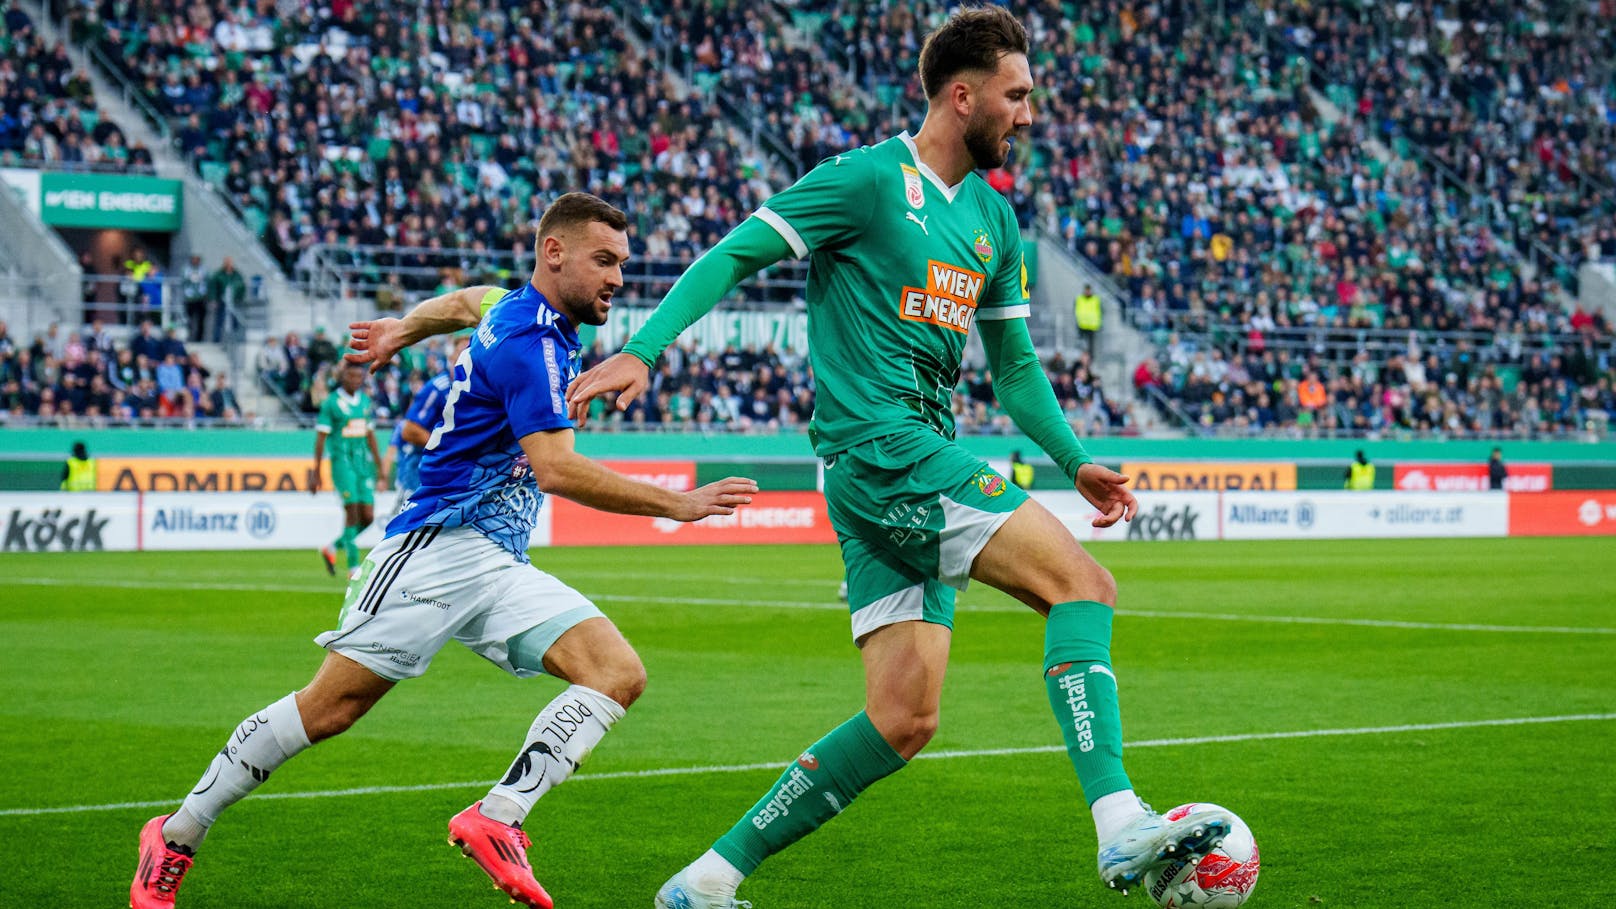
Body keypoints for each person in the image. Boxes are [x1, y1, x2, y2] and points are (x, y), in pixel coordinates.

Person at [573, 9, 1228, 905]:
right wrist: (643, 350)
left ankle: (705, 880)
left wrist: (1074, 459)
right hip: (885, 448)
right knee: (1085, 585)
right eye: (1017, 93)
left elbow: (1017, 368)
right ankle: (1119, 824)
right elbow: (735, 253)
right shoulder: (866, 182)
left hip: (902, 460)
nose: (1030, 114)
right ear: (964, 96)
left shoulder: (995, 219)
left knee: (902, 719)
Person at [130, 193, 758, 909]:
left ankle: (497, 817)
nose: (618, 277)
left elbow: (465, 300)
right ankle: (174, 835)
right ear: (554, 253)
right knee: (328, 708)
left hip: (494, 561)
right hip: (431, 551)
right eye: (604, 260)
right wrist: (679, 502)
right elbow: (557, 469)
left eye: (622, 262)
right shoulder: (529, 341)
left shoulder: (519, 310)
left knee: (615, 671)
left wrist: (402, 328)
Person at [314, 361, 385, 578]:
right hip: (342, 464)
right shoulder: (331, 403)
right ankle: (353, 566)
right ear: (343, 377)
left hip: (362, 465)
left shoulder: (364, 401)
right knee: (352, 511)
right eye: (351, 376)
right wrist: (315, 472)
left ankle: (333, 547)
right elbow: (321, 438)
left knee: (368, 516)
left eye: (359, 377)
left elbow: (370, 435)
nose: (355, 380)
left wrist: (380, 467)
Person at [389, 331, 469, 519]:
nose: (467, 355)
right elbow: (409, 429)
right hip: (420, 469)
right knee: (409, 529)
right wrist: (445, 447)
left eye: (471, 350)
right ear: (451, 356)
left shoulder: (476, 390)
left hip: (451, 471)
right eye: (462, 350)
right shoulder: (438, 388)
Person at [1075, 283, 1102, 358]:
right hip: (1082, 325)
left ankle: (1090, 359)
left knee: (1091, 346)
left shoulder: (1096, 299)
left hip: (1092, 326)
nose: (1087, 292)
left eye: (1088, 290)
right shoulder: (1079, 298)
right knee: (1081, 344)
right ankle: (1081, 358)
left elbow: (1100, 311)